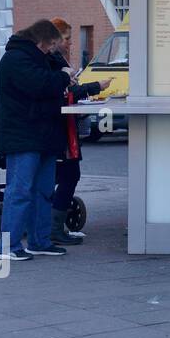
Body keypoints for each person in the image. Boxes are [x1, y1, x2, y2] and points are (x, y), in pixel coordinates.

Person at [0, 20, 75, 261]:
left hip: (44, 136)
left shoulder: (41, 57)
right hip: (23, 136)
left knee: (43, 191)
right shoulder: (16, 59)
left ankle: (39, 242)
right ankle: (8, 246)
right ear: (39, 41)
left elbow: (53, 77)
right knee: (20, 191)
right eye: (51, 45)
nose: (53, 50)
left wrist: (62, 68)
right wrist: (62, 76)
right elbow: (39, 85)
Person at [47, 18, 113, 244]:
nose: (70, 44)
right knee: (68, 174)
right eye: (67, 39)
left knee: (67, 174)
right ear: (54, 39)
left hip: (64, 128)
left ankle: (53, 223)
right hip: (60, 130)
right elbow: (65, 93)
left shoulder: (55, 60)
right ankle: (53, 226)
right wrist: (96, 87)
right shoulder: (53, 62)